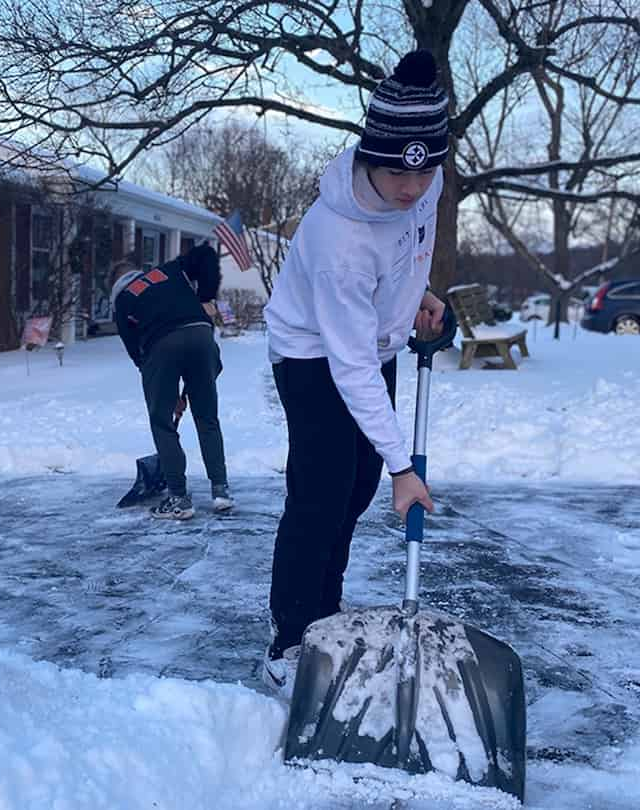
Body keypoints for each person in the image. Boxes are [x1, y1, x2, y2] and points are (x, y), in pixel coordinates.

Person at [261, 49, 449, 697]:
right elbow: (350, 364)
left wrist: (417, 295)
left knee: (357, 486)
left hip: (377, 341)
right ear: (371, 153)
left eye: (424, 172)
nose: (411, 188)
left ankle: (325, 613)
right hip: (314, 353)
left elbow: (409, 249)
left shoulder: (427, 181)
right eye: (397, 168)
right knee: (320, 491)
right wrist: (407, 467)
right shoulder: (335, 239)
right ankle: (289, 639)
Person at [112, 243, 233, 519]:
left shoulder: (122, 301)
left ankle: (179, 498)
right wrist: (205, 298)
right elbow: (206, 254)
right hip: (202, 336)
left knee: (162, 422)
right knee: (207, 417)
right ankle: (221, 490)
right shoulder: (169, 271)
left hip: (161, 345)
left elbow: (139, 355)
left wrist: (168, 398)